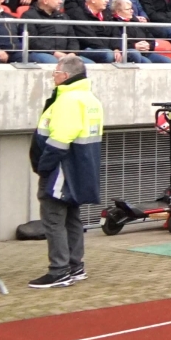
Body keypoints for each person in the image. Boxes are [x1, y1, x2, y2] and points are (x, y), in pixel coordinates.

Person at [28, 56, 104, 289]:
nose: (53, 77)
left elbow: (60, 139)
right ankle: (75, 266)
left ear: (66, 75)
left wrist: (44, 166)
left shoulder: (67, 100)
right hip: (80, 168)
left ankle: (59, 270)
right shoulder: (90, 99)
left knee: (53, 219)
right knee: (72, 218)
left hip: (61, 169)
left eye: (55, 73)